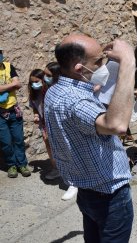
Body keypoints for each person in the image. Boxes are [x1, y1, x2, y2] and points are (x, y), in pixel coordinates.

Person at [44, 34, 135, 242]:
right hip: (109, 196)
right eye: (98, 62)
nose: (102, 66)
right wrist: (128, 62)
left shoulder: (55, 91)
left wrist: (93, 90)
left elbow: (77, 105)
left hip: (87, 191)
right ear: (79, 68)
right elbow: (117, 125)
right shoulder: (76, 102)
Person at [44, 62, 79, 200]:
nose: (44, 77)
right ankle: (71, 179)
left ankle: (75, 183)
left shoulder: (69, 89)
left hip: (69, 127)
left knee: (73, 153)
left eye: (48, 75)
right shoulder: (47, 88)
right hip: (54, 127)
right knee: (62, 154)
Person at [0, 48, 30, 178]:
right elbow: (14, 84)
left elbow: (18, 84)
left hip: (13, 110)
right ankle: (11, 165)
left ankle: (22, 165)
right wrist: (10, 85)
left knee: (18, 139)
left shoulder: (8, 66)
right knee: (5, 142)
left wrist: (5, 87)